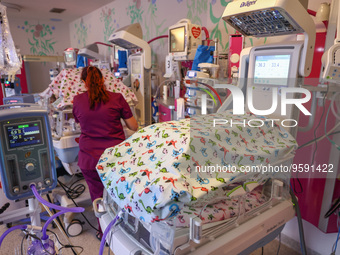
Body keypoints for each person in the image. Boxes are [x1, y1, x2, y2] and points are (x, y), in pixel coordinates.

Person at [72, 66, 138, 240]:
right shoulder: (117, 98)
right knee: (119, 195)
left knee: (97, 196)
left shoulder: (77, 100)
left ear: (84, 82)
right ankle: (124, 234)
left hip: (89, 159)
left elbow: (80, 123)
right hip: (114, 159)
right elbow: (134, 127)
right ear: (102, 80)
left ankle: (104, 233)